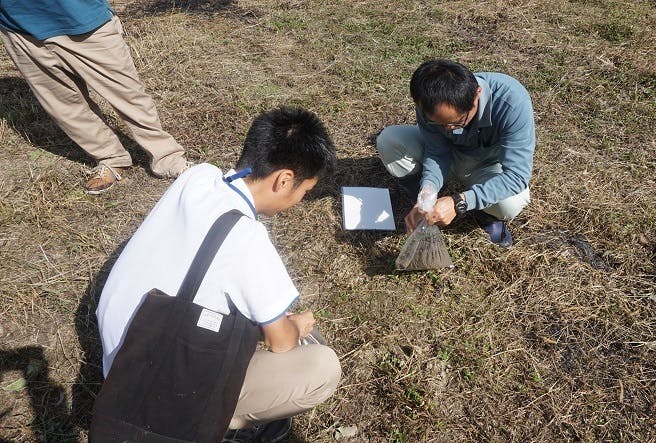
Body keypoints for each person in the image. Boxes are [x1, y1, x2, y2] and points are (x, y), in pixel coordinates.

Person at [96, 107, 341, 442]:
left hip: (120, 357)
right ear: (284, 180)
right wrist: (296, 326)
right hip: (155, 389)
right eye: (305, 191)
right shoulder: (248, 239)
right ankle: (220, 422)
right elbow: (281, 341)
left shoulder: (198, 176)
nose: (299, 201)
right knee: (321, 368)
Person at [0, 0, 189, 194]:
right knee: (64, 107)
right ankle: (110, 157)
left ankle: (167, 157)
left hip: (81, 18)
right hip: (18, 28)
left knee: (128, 94)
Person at [377, 59, 536, 247]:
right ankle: (418, 191)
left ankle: (486, 214)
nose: (449, 129)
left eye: (457, 122)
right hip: (452, 156)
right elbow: (437, 151)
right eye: (439, 123)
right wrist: (428, 190)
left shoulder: (512, 103)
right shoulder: (428, 101)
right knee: (389, 140)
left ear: (477, 95)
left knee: (510, 204)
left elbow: (517, 176)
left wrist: (461, 202)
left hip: (486, 165)